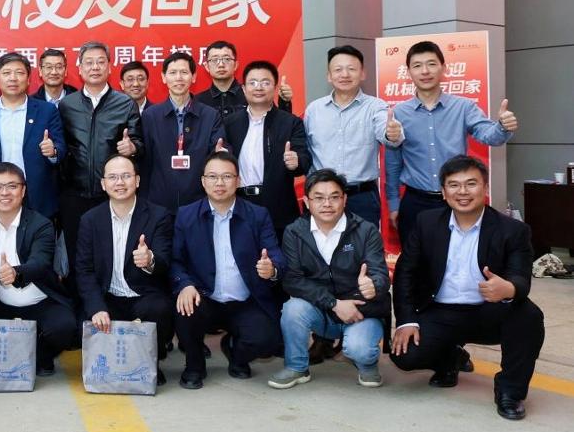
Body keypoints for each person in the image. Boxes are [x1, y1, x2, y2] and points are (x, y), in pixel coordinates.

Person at [391, 155, 544, 420]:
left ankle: (510, 391)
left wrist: (508, 288)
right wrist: (406, 321)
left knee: (529, 317)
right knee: (405, 355)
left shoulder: (512, 230)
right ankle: (449, 357)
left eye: (471, 184)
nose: (462, 192)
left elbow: (521, 278)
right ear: (443, 192)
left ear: (485, 188)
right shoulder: (427, 222)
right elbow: (406, 272)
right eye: (454, 185)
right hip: (440, 310)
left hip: (488, 311)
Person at [171, 151, 284, 388]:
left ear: (238, 181)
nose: (219, 183)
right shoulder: (186, 215)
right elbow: (176, 261)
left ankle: (235, 352)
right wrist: (185, 284)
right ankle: (194, 365)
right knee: (184, 308)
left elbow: (276, 256)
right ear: (203, 181)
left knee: (269, 339)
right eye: (212, 177)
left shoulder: (257, 215)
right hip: (204, 298)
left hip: (245, 300)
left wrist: (271, 268)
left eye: (227, 176)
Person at [385, 40, 517, 244]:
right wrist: (394, 204)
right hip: (415, 201)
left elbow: (489, 135)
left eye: (431, 64)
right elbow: (393, 164)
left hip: (458, 200)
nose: (425, 71)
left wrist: (502, 126)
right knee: (414, 260)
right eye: (417, 65)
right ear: (408, 72)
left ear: (443, 68)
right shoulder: (398, 113)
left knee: (459, 258)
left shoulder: (463, 107)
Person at [268, 169, 390, 389]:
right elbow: (292, 280)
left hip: (360, 311)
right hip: (322, 310)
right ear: (307, 201)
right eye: (319, 198)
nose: (327, 204)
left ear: (344, 199)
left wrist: (374, 285)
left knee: (360, 349)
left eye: (334, 197)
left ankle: (367, 364)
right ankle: (296, 367)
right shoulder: (295, 232)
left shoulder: (366, 230)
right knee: (292, 309)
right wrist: (334, 304)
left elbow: (379, 274)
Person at [0, 163, 77, 376]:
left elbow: (40, 262)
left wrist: (16, 272)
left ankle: (40, 356)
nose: (4, 193)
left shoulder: (41, 224)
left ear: (23, 191)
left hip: (40, 303)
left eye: (12, 186)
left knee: (65, 327)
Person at [74, 155, 174, 385]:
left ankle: (150, 362)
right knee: (81, 322)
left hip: (144, 294)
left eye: (126, 176)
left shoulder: (158, 215)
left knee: (160, 310)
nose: (119, 182)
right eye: (113, 177)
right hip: (109, 295)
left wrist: (150, 260)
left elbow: (166, 261)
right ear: (103, 184)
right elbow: (84, 269)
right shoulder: (90, 219)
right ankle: (116, 364)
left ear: (137, 180)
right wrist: (96, 307)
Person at [58, 41, 143, 269]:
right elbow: (62, 146)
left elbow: (139, 143)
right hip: (74, 194)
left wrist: (133, 147)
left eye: (100, 62)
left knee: (109, 255)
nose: (95, 67)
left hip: (112, 194)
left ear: (109, 67)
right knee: (77, 255)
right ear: (80, 68)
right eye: (89, 62)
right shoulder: (66, 105)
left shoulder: (125, 103)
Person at [303, 46, 403, 226]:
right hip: (322, 198)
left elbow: (387, 132)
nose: (345, 74)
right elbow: (306, 152)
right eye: (338, 69)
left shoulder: (375, 106)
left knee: (363, 244)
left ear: (362, 73)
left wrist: (392, 134)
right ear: (329, 76)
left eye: (351, 69)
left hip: (361, 197)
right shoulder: (314, 110)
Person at [222, 60, 310, 241]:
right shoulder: (230, 123)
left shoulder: (290, 122)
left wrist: (297, 162)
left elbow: (304, 159)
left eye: (265, 82)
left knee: (280, 256)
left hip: (278, 208)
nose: (258, 87)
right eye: (253, 83)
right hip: (239, 205)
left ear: (275, 88)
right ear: (244, 89)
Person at [0, 53, 65, 220]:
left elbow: (61, 147)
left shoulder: (46, 110)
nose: (13, 78)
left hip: (36, 195)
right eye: (7, 73)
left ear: (29, 79)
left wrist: (53, 152)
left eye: (19, 73)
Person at [139, 52, 225, 215]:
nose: (178, 78)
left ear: (193, 77)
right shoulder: (150, 116)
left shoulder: (210, 115)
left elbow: (220, 150)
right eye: (173, 73)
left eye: (184, 72)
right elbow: (146, 162)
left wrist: (222, 153)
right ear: (164, 77)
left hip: (199, 202)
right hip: (158, 204)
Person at [195, 40, 294, 119]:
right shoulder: (198, 101)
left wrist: (284, 102)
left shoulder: (254, 94)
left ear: (236, 65)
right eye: (215, 60)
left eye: (227, 59)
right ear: (207, 66)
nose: (221, 64)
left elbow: (278, 124)